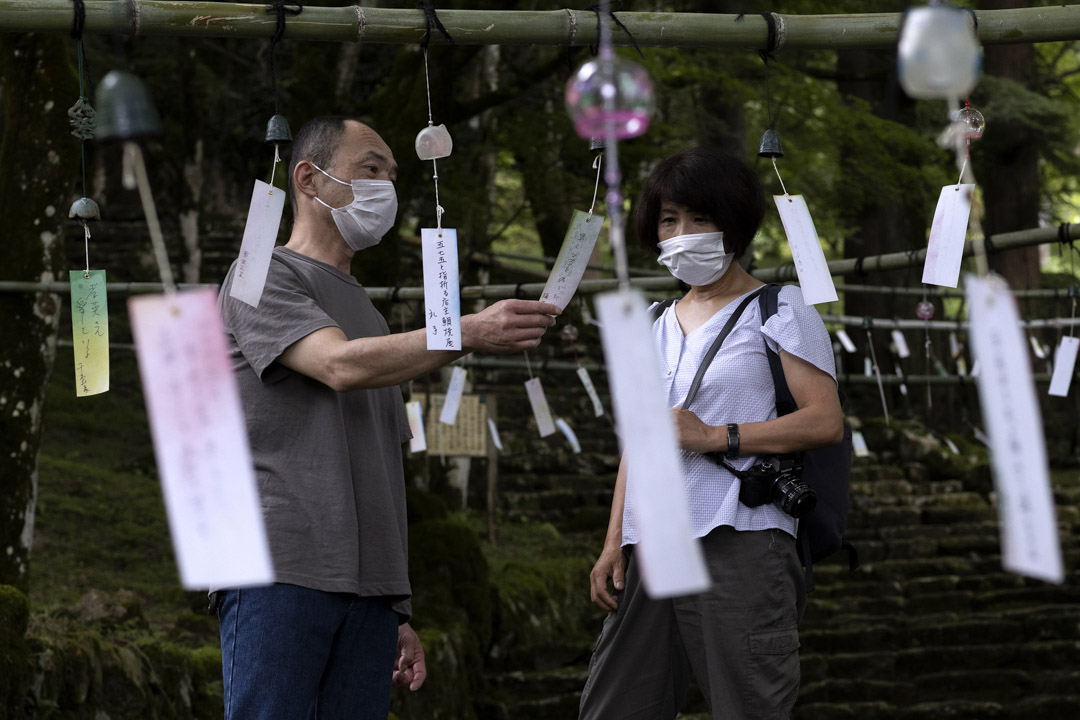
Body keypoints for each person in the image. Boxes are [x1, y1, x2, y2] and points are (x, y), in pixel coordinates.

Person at [215, 115, 561, 720]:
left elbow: (379, 466)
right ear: (308, 179)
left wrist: (394, 604)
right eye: (370, 170)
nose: (386, 189)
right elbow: (337, 365)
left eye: (393, 176)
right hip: (280, 567)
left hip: (368, 593)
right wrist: (470, 330)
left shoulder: (372, 317)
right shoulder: (260, 273)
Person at [578, 147, 844, 719]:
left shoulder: (779, 307)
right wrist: (612, 541)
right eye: (670, 220)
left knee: (747, 703)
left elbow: (824, 420)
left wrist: (714, 436)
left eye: (701, 218)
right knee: (617, 704)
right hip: (651, 541)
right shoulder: (652, 322)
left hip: (741, 534)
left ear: (735, 225)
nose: (682, 233)